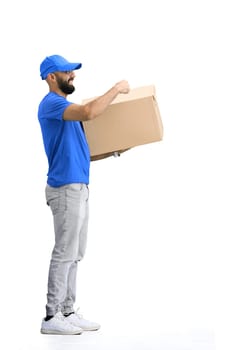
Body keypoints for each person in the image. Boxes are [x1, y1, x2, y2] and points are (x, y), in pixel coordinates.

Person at [37, 54, 130, 335]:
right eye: (67, 72)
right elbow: (90, 111)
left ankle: (67, 310)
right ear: (51, 77)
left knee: (76, 253)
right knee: (64, 252)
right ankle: (51, 317)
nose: (73, 75)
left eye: (72, 72)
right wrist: (116, 89)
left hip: (78, 186)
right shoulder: (53, 105)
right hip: (65, 188)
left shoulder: (66, 110)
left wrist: (115, 149)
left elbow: (82, 154)